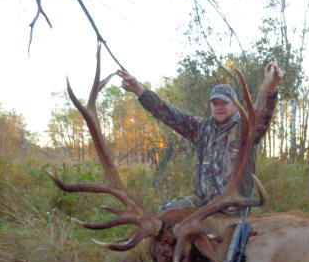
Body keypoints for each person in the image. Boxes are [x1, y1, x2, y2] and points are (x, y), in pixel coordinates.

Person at [117, 62, 283, 213]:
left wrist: (271, 88)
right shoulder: (202, 129)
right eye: (215, 103)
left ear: (234, 104)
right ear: (210, 106)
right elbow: (169, 113)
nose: (219, 107)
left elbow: (263, 115)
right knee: (164, 214)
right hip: (202, 203)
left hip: (230, 208)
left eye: (224, 103)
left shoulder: (246, 130)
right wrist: (139, 89)